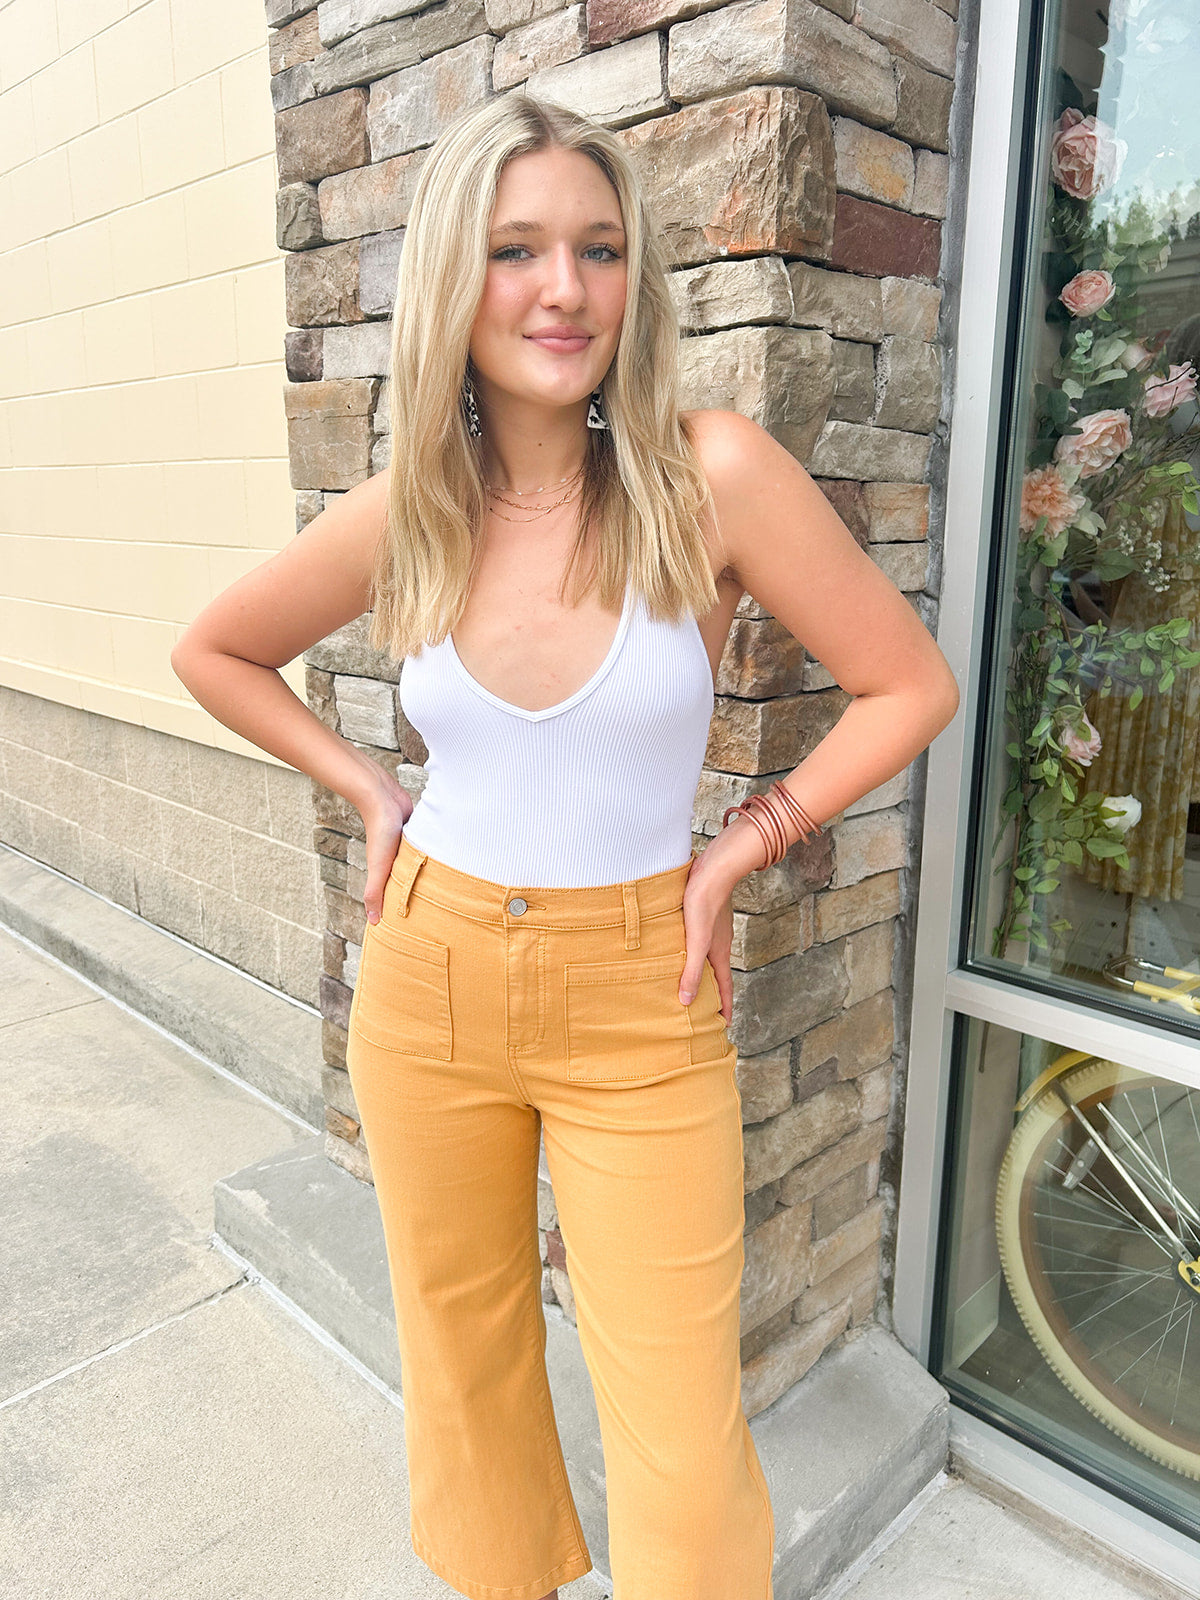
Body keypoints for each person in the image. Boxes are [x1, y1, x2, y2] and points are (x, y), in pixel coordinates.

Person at [171, 92, 959, 1600]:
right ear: (456, 279)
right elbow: (215, 651)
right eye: (518, 248)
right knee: (466, 1365)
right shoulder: (416, 508)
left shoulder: (708, 472)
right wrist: (370, 791)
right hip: (431, 975)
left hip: (639, 995)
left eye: (599, 249)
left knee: (679, 1425)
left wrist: (743, 844)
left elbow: (909, 685)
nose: (565, 289)